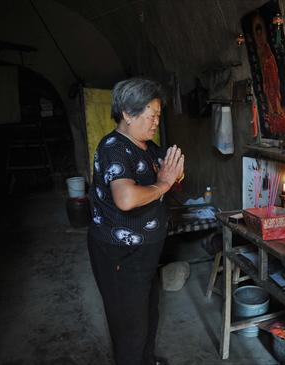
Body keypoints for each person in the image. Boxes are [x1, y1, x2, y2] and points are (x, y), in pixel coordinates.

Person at [88, 78, 184, 365]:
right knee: (130, 329)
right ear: (128, 114)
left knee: (149, 314)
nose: (156, 121)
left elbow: (169, 178)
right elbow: (126, 199)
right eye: (151, 114)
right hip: (120, 255)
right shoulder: (114, 148)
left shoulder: (147, 146)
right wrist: (164, 184)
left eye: (158, 114)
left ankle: (146, 360)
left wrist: (174, 177)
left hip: (144, 255)